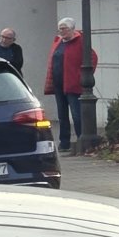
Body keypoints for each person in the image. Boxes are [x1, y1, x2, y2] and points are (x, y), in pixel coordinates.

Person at [44, 17, 97, 153]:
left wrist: (82, 76)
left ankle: (81, 141)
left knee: (76, 114)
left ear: (72, 29)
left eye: (65, 28)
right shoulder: (58, 42)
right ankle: (64, 142)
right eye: (60, 29)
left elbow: (93, 57)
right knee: (62, 115)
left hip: (73, 84)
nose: (62, 31)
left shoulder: (80, 41)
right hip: (58, 84)